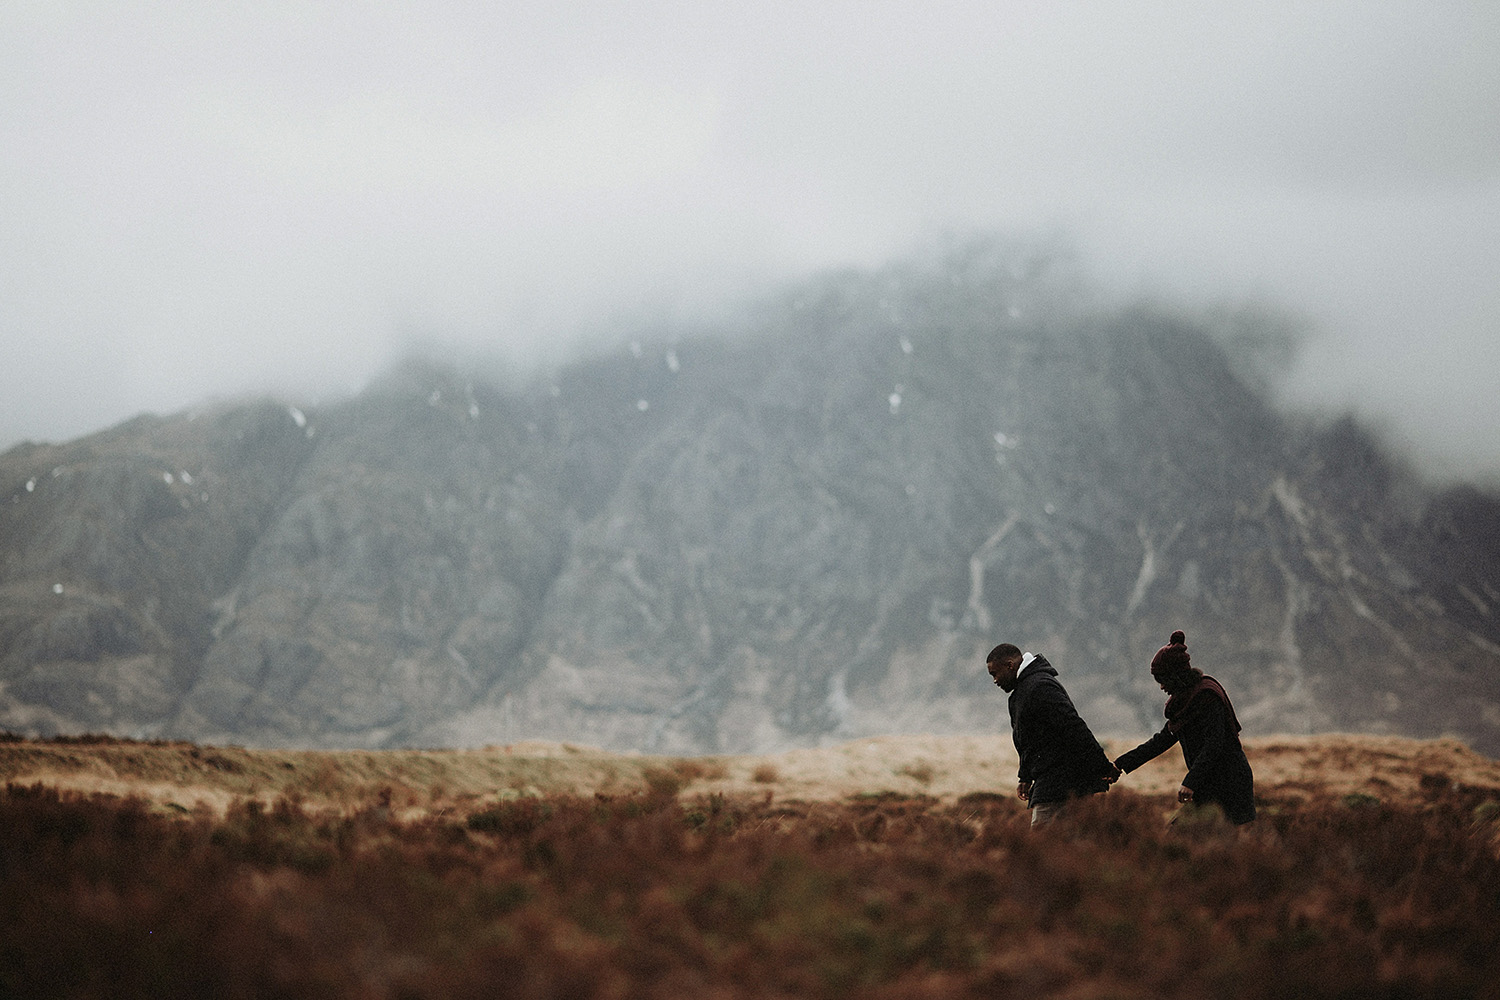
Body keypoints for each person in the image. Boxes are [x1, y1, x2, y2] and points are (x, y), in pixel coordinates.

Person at [1114, 630, 1256, 825]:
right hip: (1208, 785)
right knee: (1195, 841)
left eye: (1163, 680)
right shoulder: (1184, 703)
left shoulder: (1207, 696)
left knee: (1199, 841)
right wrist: (1120, 764)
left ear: (1175, 676)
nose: (1162, 687)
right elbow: (1161, 741)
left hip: (1229, 784)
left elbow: (1214, 743)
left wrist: (1190, 782)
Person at [986, 643, 1121, 827]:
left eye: (995, 673)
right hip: (1053, 784)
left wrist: (1102, 767)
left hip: (1063, 785)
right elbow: (1028, 741)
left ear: (1010, 665)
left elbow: (1073, 727)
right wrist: (1025, 776)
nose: (995, 680)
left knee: (1043, 848)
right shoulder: (1021, 693)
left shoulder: (1039, 687)